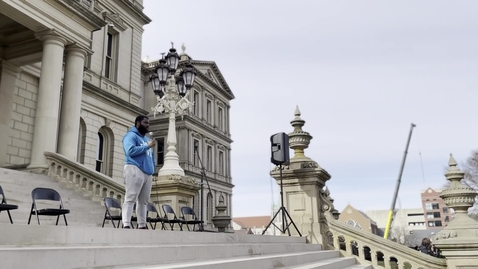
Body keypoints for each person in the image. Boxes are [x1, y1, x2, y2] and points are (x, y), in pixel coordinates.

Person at [122, 115, 156, 229]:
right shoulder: (130, 136)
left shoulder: (147, 140)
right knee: (131, 196)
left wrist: (153, 167)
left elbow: (151, 156)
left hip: (147, 172)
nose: (148, 125)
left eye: (148, 123)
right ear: (137, 123)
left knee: (144, 201)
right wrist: (147, 146)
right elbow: (130, 150)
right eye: (145, 123)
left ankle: (142, 224)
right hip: (134, 167)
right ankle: (126, 223)